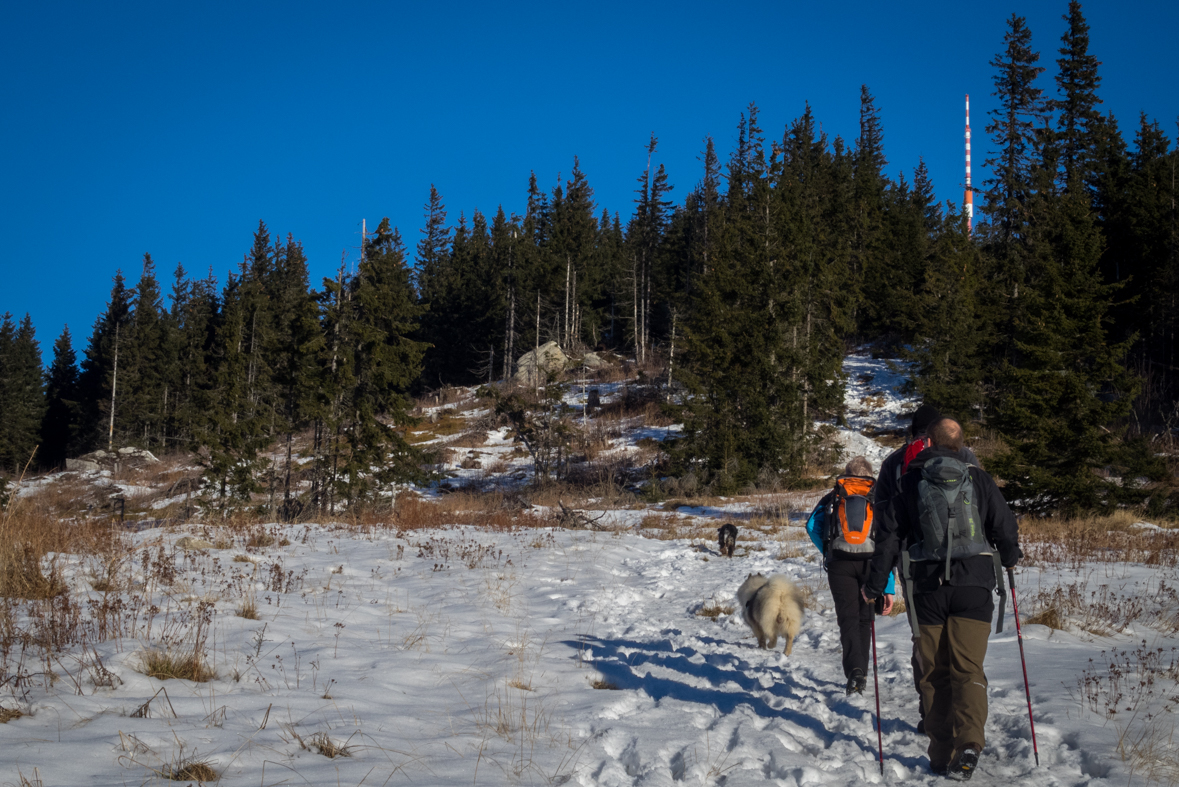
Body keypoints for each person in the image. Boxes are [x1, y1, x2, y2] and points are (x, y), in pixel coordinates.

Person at [862, 418, 1021, 780]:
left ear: (928, 443)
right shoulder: (978, 479)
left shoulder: (910, 481)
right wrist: (1009, 557)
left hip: (926, 590)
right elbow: (1005, 527)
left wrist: (874, 586)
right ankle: (969, 745)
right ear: (962, 444)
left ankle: (939, 754)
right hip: (975, 588)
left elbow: (886, 538)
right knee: (968, 670)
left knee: (934, 675)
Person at [876, 404, 981, 733]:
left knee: (924, 639)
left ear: (912, 431)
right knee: (963, 648)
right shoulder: (966, 457)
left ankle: (931, 715)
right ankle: (964, 725)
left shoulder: (895, 463)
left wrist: (885, 573)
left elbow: (884, 522)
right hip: (968, 562)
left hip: (915, 565)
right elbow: (983, 503)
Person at [805, 456, 895, 695]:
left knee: (848, 618)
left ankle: (854, 671)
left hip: (840, 564)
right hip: (871, 564)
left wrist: (828, 549)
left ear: (847, 473)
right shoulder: (880, 497)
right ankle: (862, 673)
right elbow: (888, 540)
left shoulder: (835, 496)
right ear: (869, 475)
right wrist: (888, 584)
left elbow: (811, 525)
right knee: (864, 619)